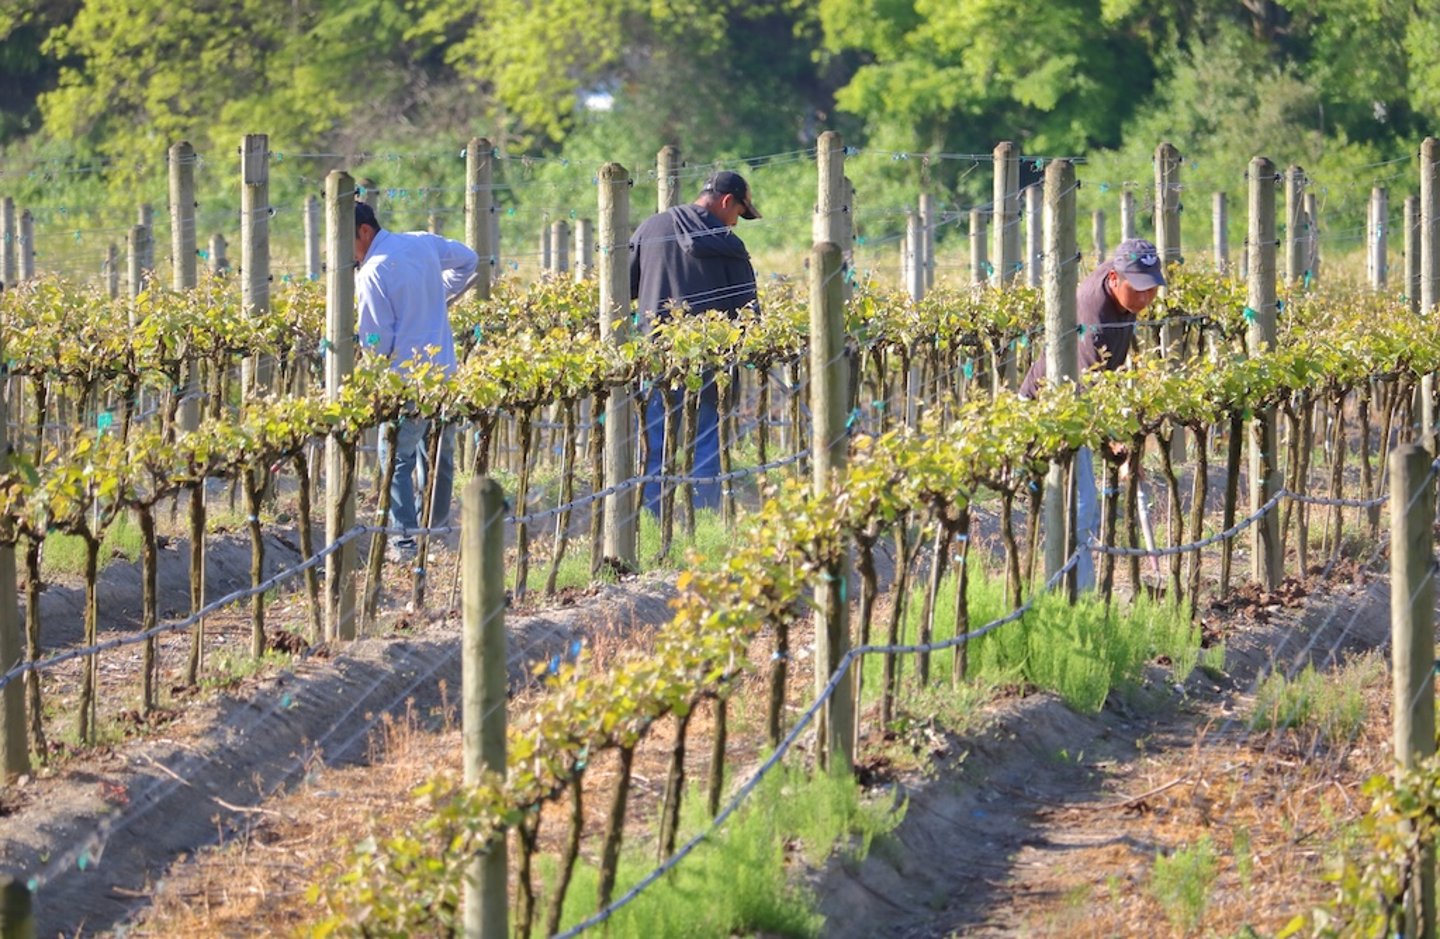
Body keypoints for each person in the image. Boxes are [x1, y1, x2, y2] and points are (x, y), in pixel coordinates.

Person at [1019, 237, 1166, 590]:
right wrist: (1114, 447)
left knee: (1076, 507)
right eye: (1139, 290)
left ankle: (1066, 590)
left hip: (1080, 407)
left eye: (1152, 289)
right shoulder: (1093, 318)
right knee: (1080, 505)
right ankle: (1072, 599)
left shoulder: (1121, 287)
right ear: (1114, 279)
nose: (1146, 298)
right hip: (1054, 412)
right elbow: (1084, 396)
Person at [629, 170, 762, 515]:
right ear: (726, 201)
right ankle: (702, 520)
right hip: (710, 364)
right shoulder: (729, 246)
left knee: (655, 444)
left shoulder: (650, 229)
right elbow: (749, 313)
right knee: (705, 444)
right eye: (739, 214)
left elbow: (624, 291)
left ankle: (654, 520)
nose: (736, 223)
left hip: (655, 357)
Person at [354, 201, 479, 554]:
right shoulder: (421, 242)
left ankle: (405, 540)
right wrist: (440, 294)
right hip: (445, 374)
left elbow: (377, 339)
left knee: (394, 457)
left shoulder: (372, 273)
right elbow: (469, 260)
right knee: (439, 453)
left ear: (364, 231)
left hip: (406, 380)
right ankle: (435, 532)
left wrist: (372, 380)